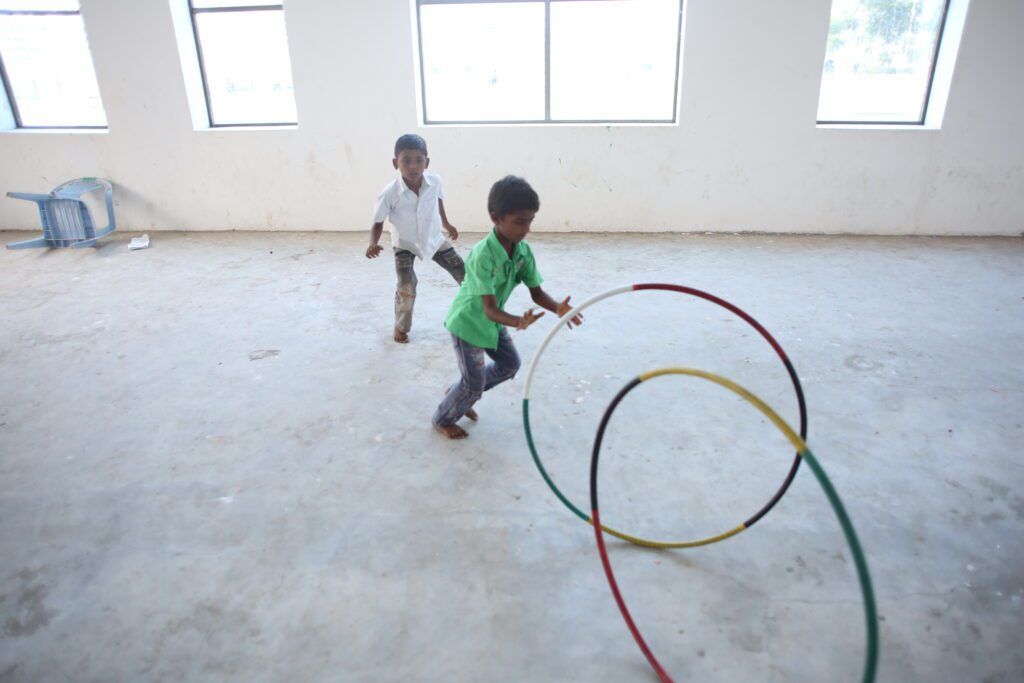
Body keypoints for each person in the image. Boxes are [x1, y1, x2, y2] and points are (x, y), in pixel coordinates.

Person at [432, 176, 583, 439]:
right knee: (474, 384)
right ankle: (442, 418)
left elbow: (537, 293)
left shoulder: (523, 252)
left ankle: (461, 392)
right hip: (468, 324)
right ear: (496, 218)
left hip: (492, 322)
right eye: (519, 221)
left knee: (510, 365)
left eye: (530, 221)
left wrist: (558, 307)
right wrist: (517, 321)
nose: (526, 229)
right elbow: (489, 308)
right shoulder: (483, 254)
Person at [367, 134, 464, 343]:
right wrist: (372, 243)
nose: (413, 166)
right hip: (405, 243)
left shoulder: (435, 181)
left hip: (433, 239)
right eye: (406, 160)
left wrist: (447, 224)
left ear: (426, 162)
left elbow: (438, 201)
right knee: (406, 286)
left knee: (464, 273)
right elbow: (378, 222)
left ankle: (481, 314)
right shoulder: (389, 193)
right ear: (395, 163)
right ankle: (401, 326)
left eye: (419, 160)